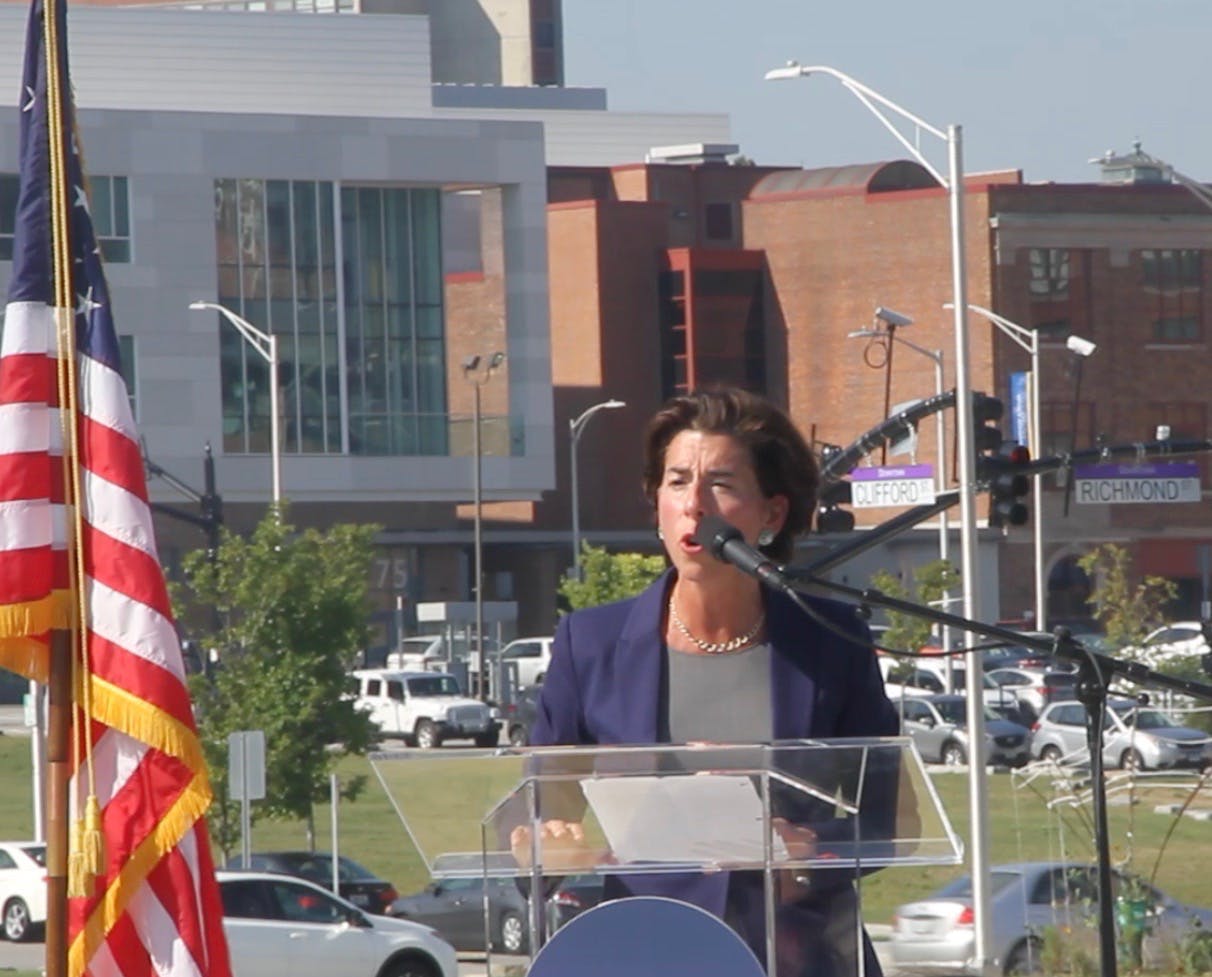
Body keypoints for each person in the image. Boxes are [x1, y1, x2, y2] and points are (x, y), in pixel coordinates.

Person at [527, 386, 902, 977]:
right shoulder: (589, 643)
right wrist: (545, 841)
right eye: (677, 482)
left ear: (772, 514)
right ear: (656, 502)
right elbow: (541, 805)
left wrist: (806, 851)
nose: (694, 504)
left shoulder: (831, 638)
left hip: (798, 957)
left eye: (721, 484)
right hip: (646, 956)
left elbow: (890, 818)